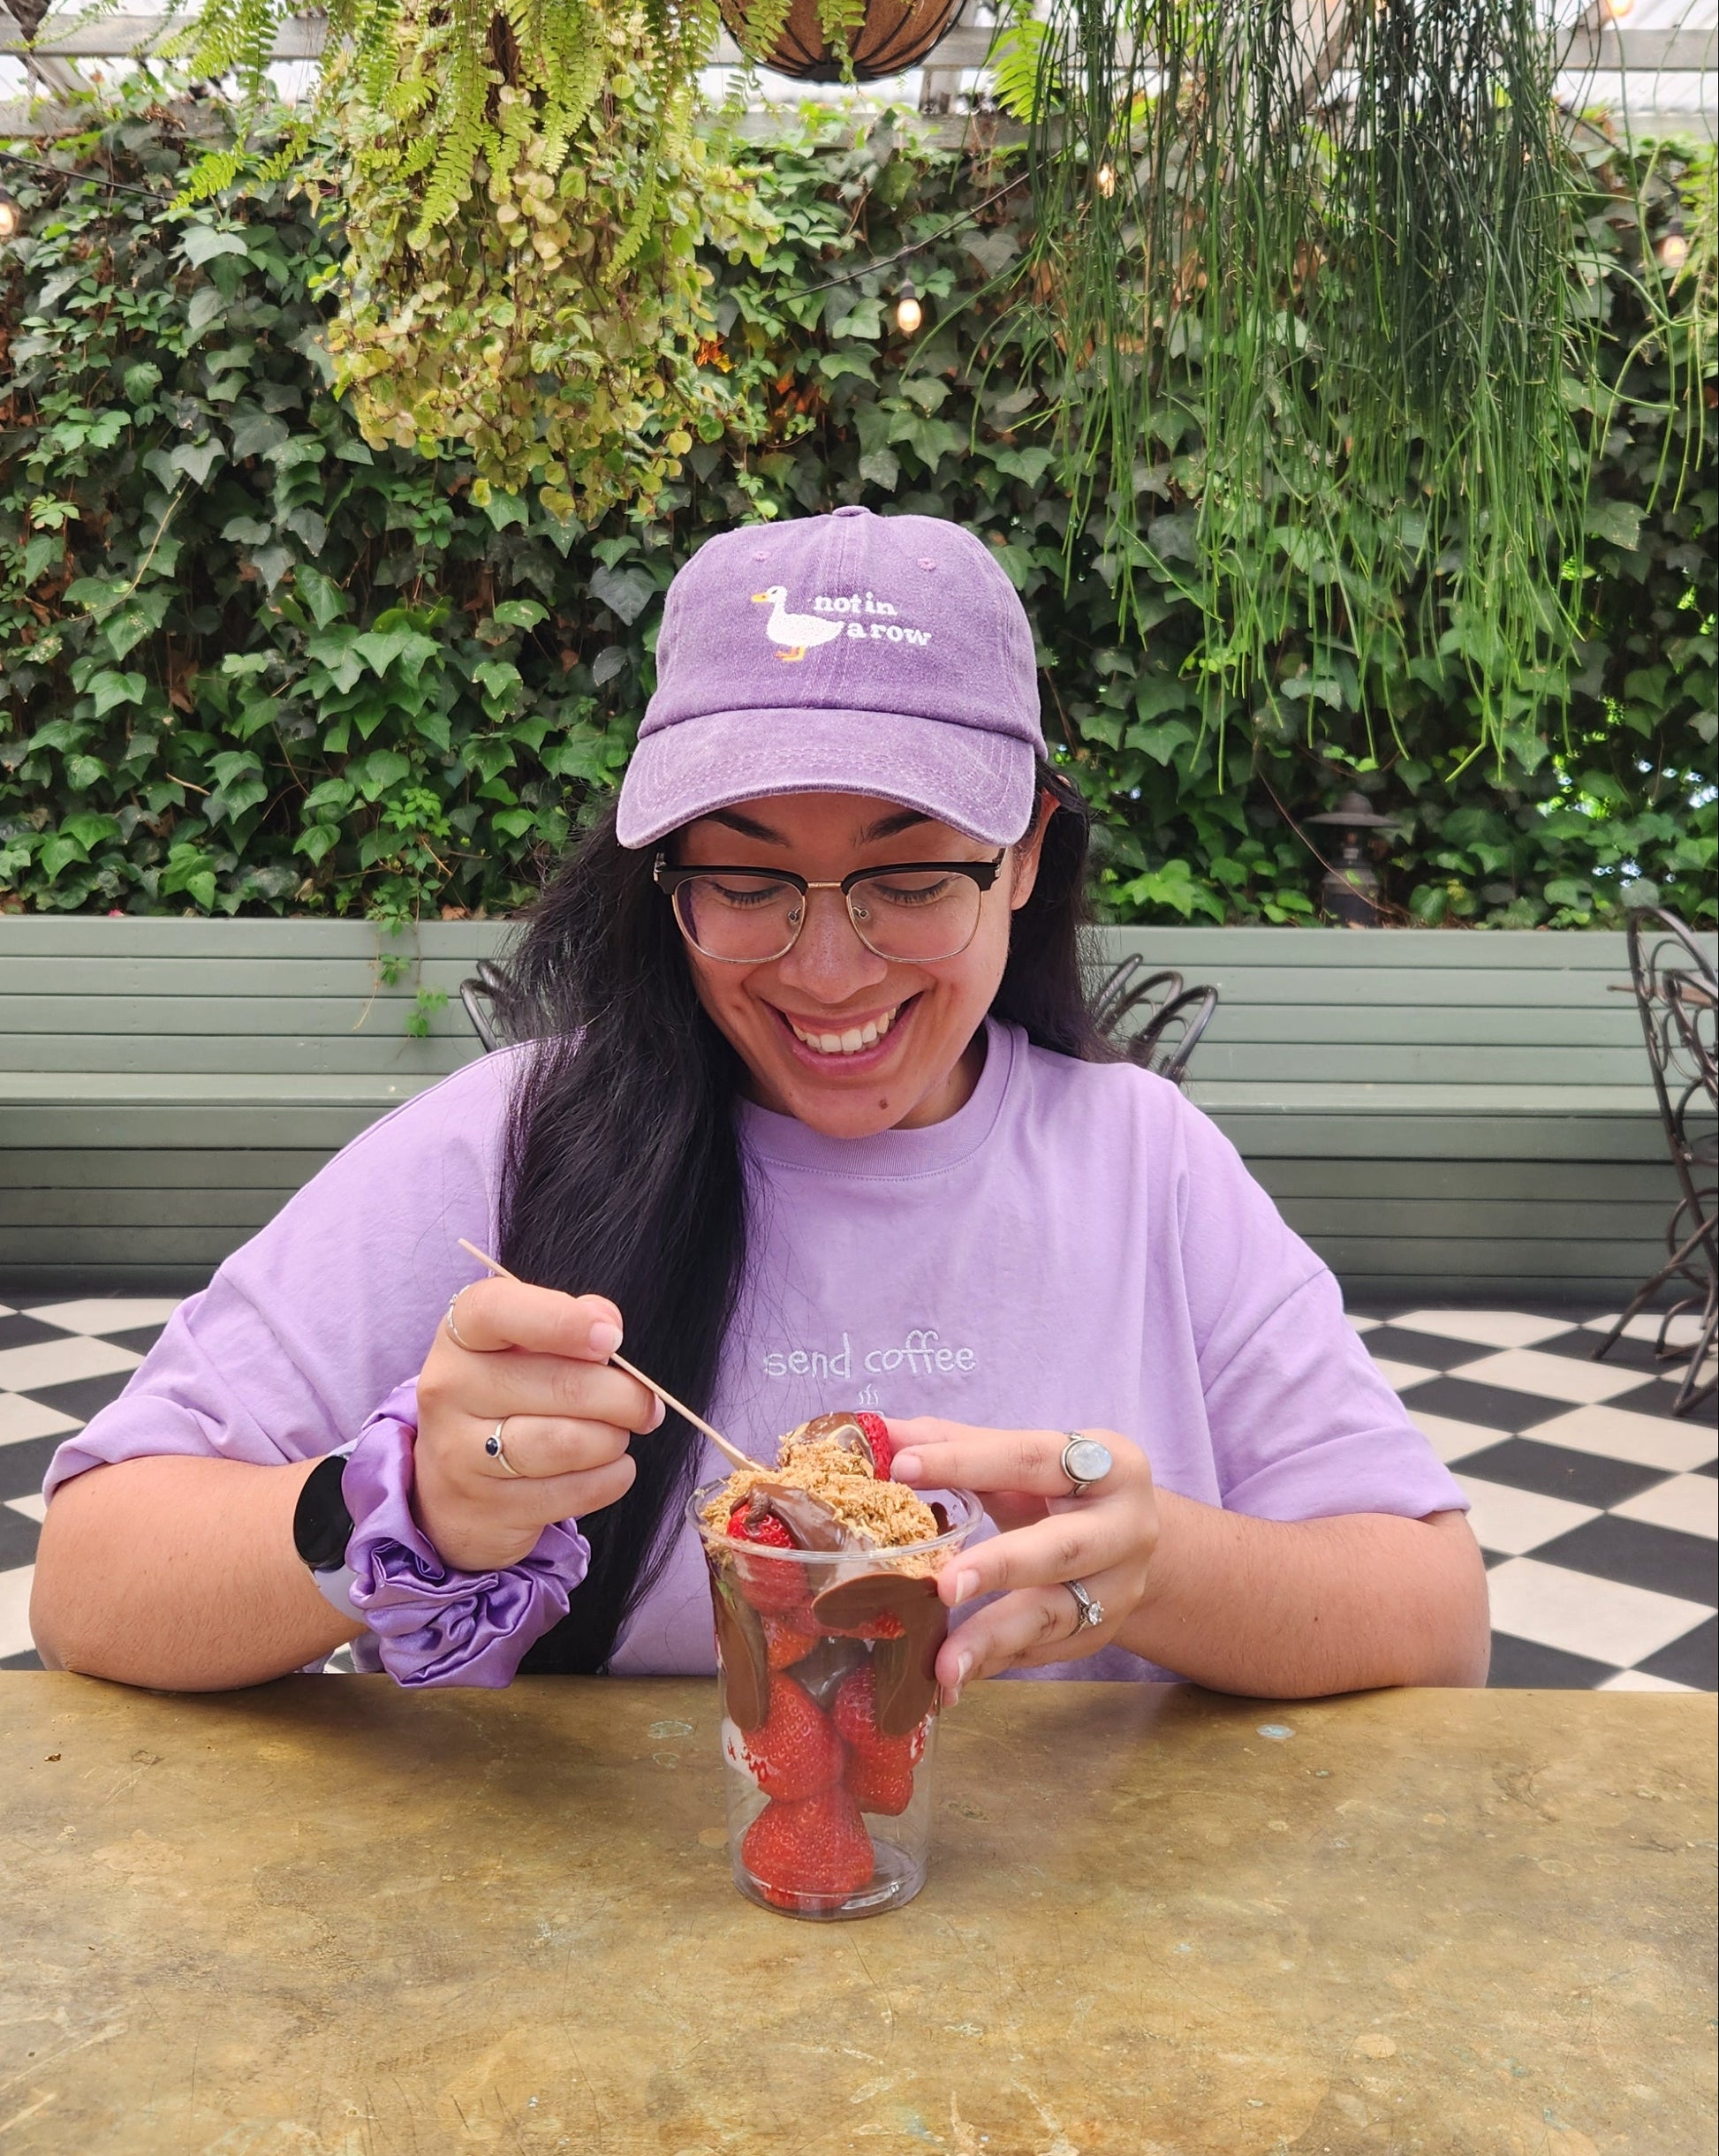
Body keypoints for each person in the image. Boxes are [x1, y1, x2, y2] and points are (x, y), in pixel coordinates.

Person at [31, 508, 1489, 1698]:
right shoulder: (508, 1147)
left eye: (911, 875)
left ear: (1028, 855)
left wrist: (1157, 1568)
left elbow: (1432, 1616)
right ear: (664, 875)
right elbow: (88, 1580)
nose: (827, 964)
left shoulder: (1143, 1167)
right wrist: (391, 1498)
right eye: (743, 878)